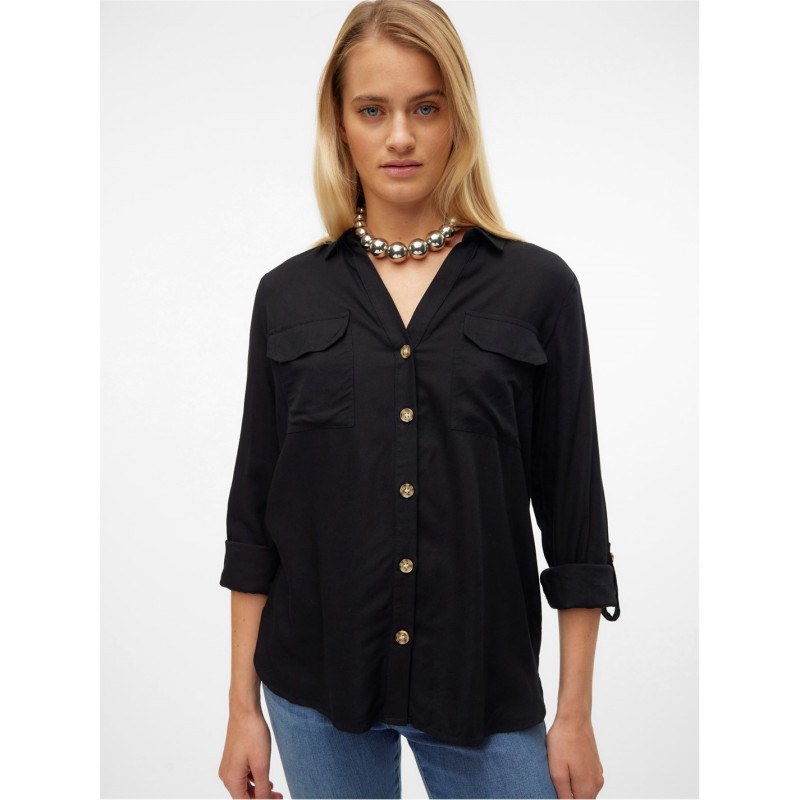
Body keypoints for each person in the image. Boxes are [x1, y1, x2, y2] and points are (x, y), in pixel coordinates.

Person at [217, 1, 621, 798]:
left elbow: (576, 518)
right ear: (340, 126)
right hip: (314, 687)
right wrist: (242, 709)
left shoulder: (539, 289)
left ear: (456, 119)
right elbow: (254, 518)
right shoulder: (287, 296)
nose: (399, 136)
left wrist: (574, 714)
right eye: (373, 110)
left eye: (425, 108)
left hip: (481, 685)